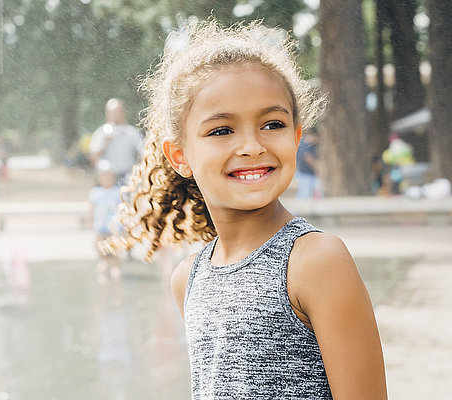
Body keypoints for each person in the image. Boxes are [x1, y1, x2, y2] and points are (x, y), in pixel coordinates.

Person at [102, 20, 387, 399]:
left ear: (296, 136)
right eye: (222, 130)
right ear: (179, 155)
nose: (252, 146)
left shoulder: (316, 261)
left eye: (272, 124)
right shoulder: (188, 279)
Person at [89, 98, 144, 185]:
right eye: (113, 113)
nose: (116, 115)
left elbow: (143, 153)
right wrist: (106, 142)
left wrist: (137, 169)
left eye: (118, 112)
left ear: (123, 112)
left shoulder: (132, 133)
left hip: (128, 177)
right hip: (108, 180)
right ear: (107, 114)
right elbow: (93, 158)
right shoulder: (101, 133)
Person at [87, 160, 122, 283]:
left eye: (109, 175)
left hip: (114, 226)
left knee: (114, 248)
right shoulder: (96, 192)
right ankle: (104, 263)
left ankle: (115, 267)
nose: (107, 178)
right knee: (99, 246)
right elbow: (91, 209)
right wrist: (90, 221)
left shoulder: (117, 191)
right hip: (100, 226)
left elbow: (123, 208)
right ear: (99, 178)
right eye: (103, 176)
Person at [295, 129, 320, 198]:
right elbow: (307, 157)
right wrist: (317, 167)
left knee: (311, 192)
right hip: (304, 173)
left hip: (310, 173)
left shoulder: (311, 145)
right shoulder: (304, 144)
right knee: (304, 192)